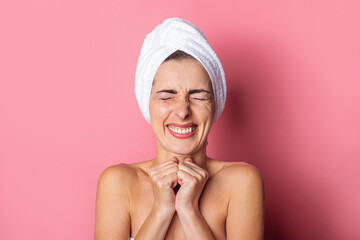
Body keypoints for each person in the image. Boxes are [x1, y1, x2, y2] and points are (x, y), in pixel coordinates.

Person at [95, 18, 264, 240]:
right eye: (167, 96)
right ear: (148, 104)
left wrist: (189, 210)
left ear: (215, 105)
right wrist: (161, 211)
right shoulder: (118, 183)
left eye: (198, 95)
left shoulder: (241, 182)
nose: (182, 111)